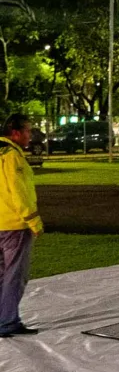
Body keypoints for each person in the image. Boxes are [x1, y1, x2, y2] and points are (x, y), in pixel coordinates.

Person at [0, 114, 43, 338]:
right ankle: (7, 321)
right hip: (13, 225)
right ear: (15, 133)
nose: (29, 135)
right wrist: (33, 220)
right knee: (15, 275)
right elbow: (19, 193)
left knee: (2, 275)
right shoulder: (12, 157)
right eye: (27, 130)